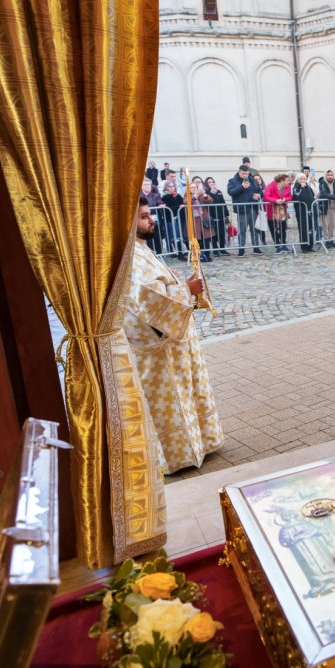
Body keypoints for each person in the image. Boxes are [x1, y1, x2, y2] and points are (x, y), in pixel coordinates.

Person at [125, 198, 223, 473]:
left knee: (187, 393)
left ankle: (201, 442)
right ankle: (178, 455)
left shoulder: (140, 249)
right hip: (158, 348)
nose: (150, 219)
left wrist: (180, 283)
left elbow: (156, 287)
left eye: (149, 214)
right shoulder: (130, 256)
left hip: (171, 343)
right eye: (143, 216)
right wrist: (187, 289)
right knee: (173, 400)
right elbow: (148, 300)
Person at [227, 164, 265, 255]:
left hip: (253, 208)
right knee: (242, 230)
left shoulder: (253, 180)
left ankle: (256, 247)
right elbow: (231, 192)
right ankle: (241, 248)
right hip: (242, 209)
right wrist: (242, 187)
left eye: (247, 173)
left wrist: (259, 195)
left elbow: (260, 191)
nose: (245, 175)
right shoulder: (232, 181)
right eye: (243, 173)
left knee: (255, 229)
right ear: (239, 172)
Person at [159, 176, 187, 260]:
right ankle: (173, 252)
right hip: (169, 219)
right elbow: (168, 208)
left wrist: (179, 207)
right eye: (169, 186)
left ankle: (179, 252)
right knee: (171, 236)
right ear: (166, 187)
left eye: (173, 186)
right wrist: (178, 206)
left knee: (178, 236)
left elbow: (182, 203)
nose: (172, 188)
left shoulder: (177, 196)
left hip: (178, 218)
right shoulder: (165, 197)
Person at [264, 173, 293, 252]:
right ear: (282, 181)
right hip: (271, 209)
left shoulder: (288, 187)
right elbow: (266, 196)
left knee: (283, 227)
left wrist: (284, 199)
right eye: (287, 181)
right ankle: (277, 246)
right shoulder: (270, 186)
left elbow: (290, 197)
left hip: (281, 209)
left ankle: (283, 245)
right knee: (273, 228)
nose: (289, 182)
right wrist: (275, 200)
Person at [202, 176, 230, 256]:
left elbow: (223, 203)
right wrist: (212, 193)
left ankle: (222, 249)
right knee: (214, 234)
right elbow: (210, 202)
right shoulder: (207, 193)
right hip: (213, 216)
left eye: (213, 182)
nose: (211, 184)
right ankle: (215, 250)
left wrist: (226, 214)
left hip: (221, 216)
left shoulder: (219, 191)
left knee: (222, 234)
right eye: (209, 182)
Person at [318, 169, 335, 248]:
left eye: (331, 175)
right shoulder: (322, 183)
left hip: (333, 207)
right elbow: (324, 195)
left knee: (332, 225)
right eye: (328, 175)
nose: (330, 176)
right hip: (325, 207)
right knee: (325, 225)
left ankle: (331, 240)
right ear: (326, 175)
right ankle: (326, 241)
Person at [293, 173, 318, 253]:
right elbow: (297, 196)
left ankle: (310, 246)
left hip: (310, 211)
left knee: (310, 228)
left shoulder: (308, 186)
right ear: (297, 179)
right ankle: (304, 246)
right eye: (301, 179)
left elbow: (312, 196)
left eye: (304, 178)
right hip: (301, 212)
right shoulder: (296, 186)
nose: (303, 180)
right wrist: (301, 188)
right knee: (303, 229)